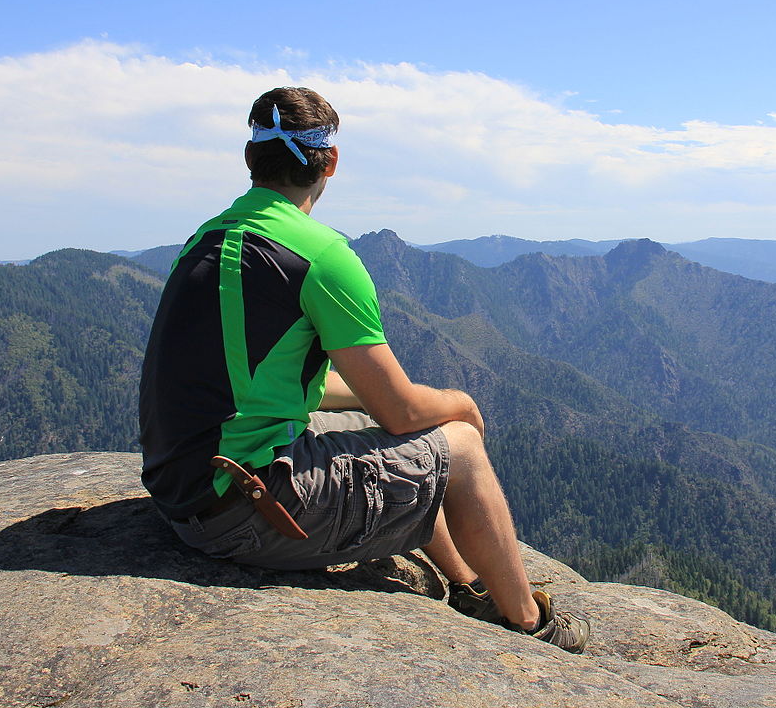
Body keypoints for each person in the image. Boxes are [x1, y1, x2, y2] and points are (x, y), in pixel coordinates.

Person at [139, 86, 590, 653]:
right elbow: (401, 411)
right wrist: (461, 405)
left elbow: (262, 386)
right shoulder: (321, 257)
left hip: (188, 494)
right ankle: (528, 622)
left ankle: (469, 584)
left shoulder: (207, 240)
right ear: (330, 161)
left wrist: (371, 407)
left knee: (378, 432)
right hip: (245, 514)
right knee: (460, 447)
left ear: (251, 157)